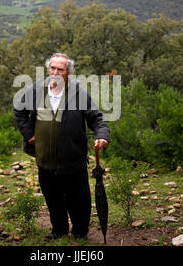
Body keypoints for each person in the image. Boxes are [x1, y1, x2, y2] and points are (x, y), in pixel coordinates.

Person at [14, 52, 110, 240]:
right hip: (45, 158)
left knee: (79, 200)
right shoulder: (36, 90)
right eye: (53, 68)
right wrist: (29, 134)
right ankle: (59, 230)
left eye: (61, 69)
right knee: (53, 198)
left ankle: (80, 233)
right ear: (48, 69)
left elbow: (96, 117)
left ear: (68, 73)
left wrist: (102, 136)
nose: (56, 72)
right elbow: (19, 111)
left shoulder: (78, 93)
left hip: (73, 159)